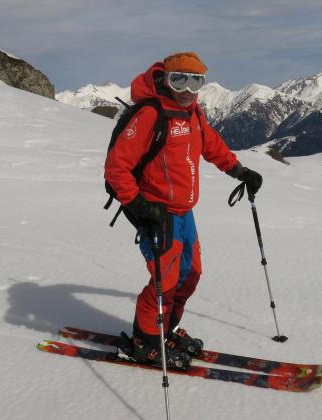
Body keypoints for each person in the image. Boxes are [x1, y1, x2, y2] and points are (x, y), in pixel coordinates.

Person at [104, 52, 263, 368]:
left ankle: (167, 329)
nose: (187, 89)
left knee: (191, 274)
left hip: (184, 212)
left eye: (196, 81)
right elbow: (116, 167)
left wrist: (240, 171)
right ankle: (145, 341)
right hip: (156, 213)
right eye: (179, 79)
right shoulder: (150, 114)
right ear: (166, 78)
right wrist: (139, 205)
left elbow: (211, 145)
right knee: (165, 280)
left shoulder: (193, 113)